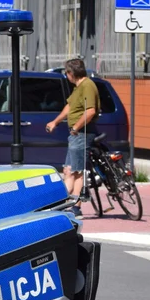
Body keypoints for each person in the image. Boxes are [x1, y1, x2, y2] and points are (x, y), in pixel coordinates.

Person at [46, 59, 100, 218]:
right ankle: (63, 203)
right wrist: (55, 121)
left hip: (82, 133)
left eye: (66, 72)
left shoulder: (88, 86)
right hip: (75, 134)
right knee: (68, 170)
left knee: (77, 171)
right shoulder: (78, 88)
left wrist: (76, 127)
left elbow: (90, 111)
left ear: (71, 73)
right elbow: (69, 107)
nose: (66, 75)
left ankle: (76, 207)